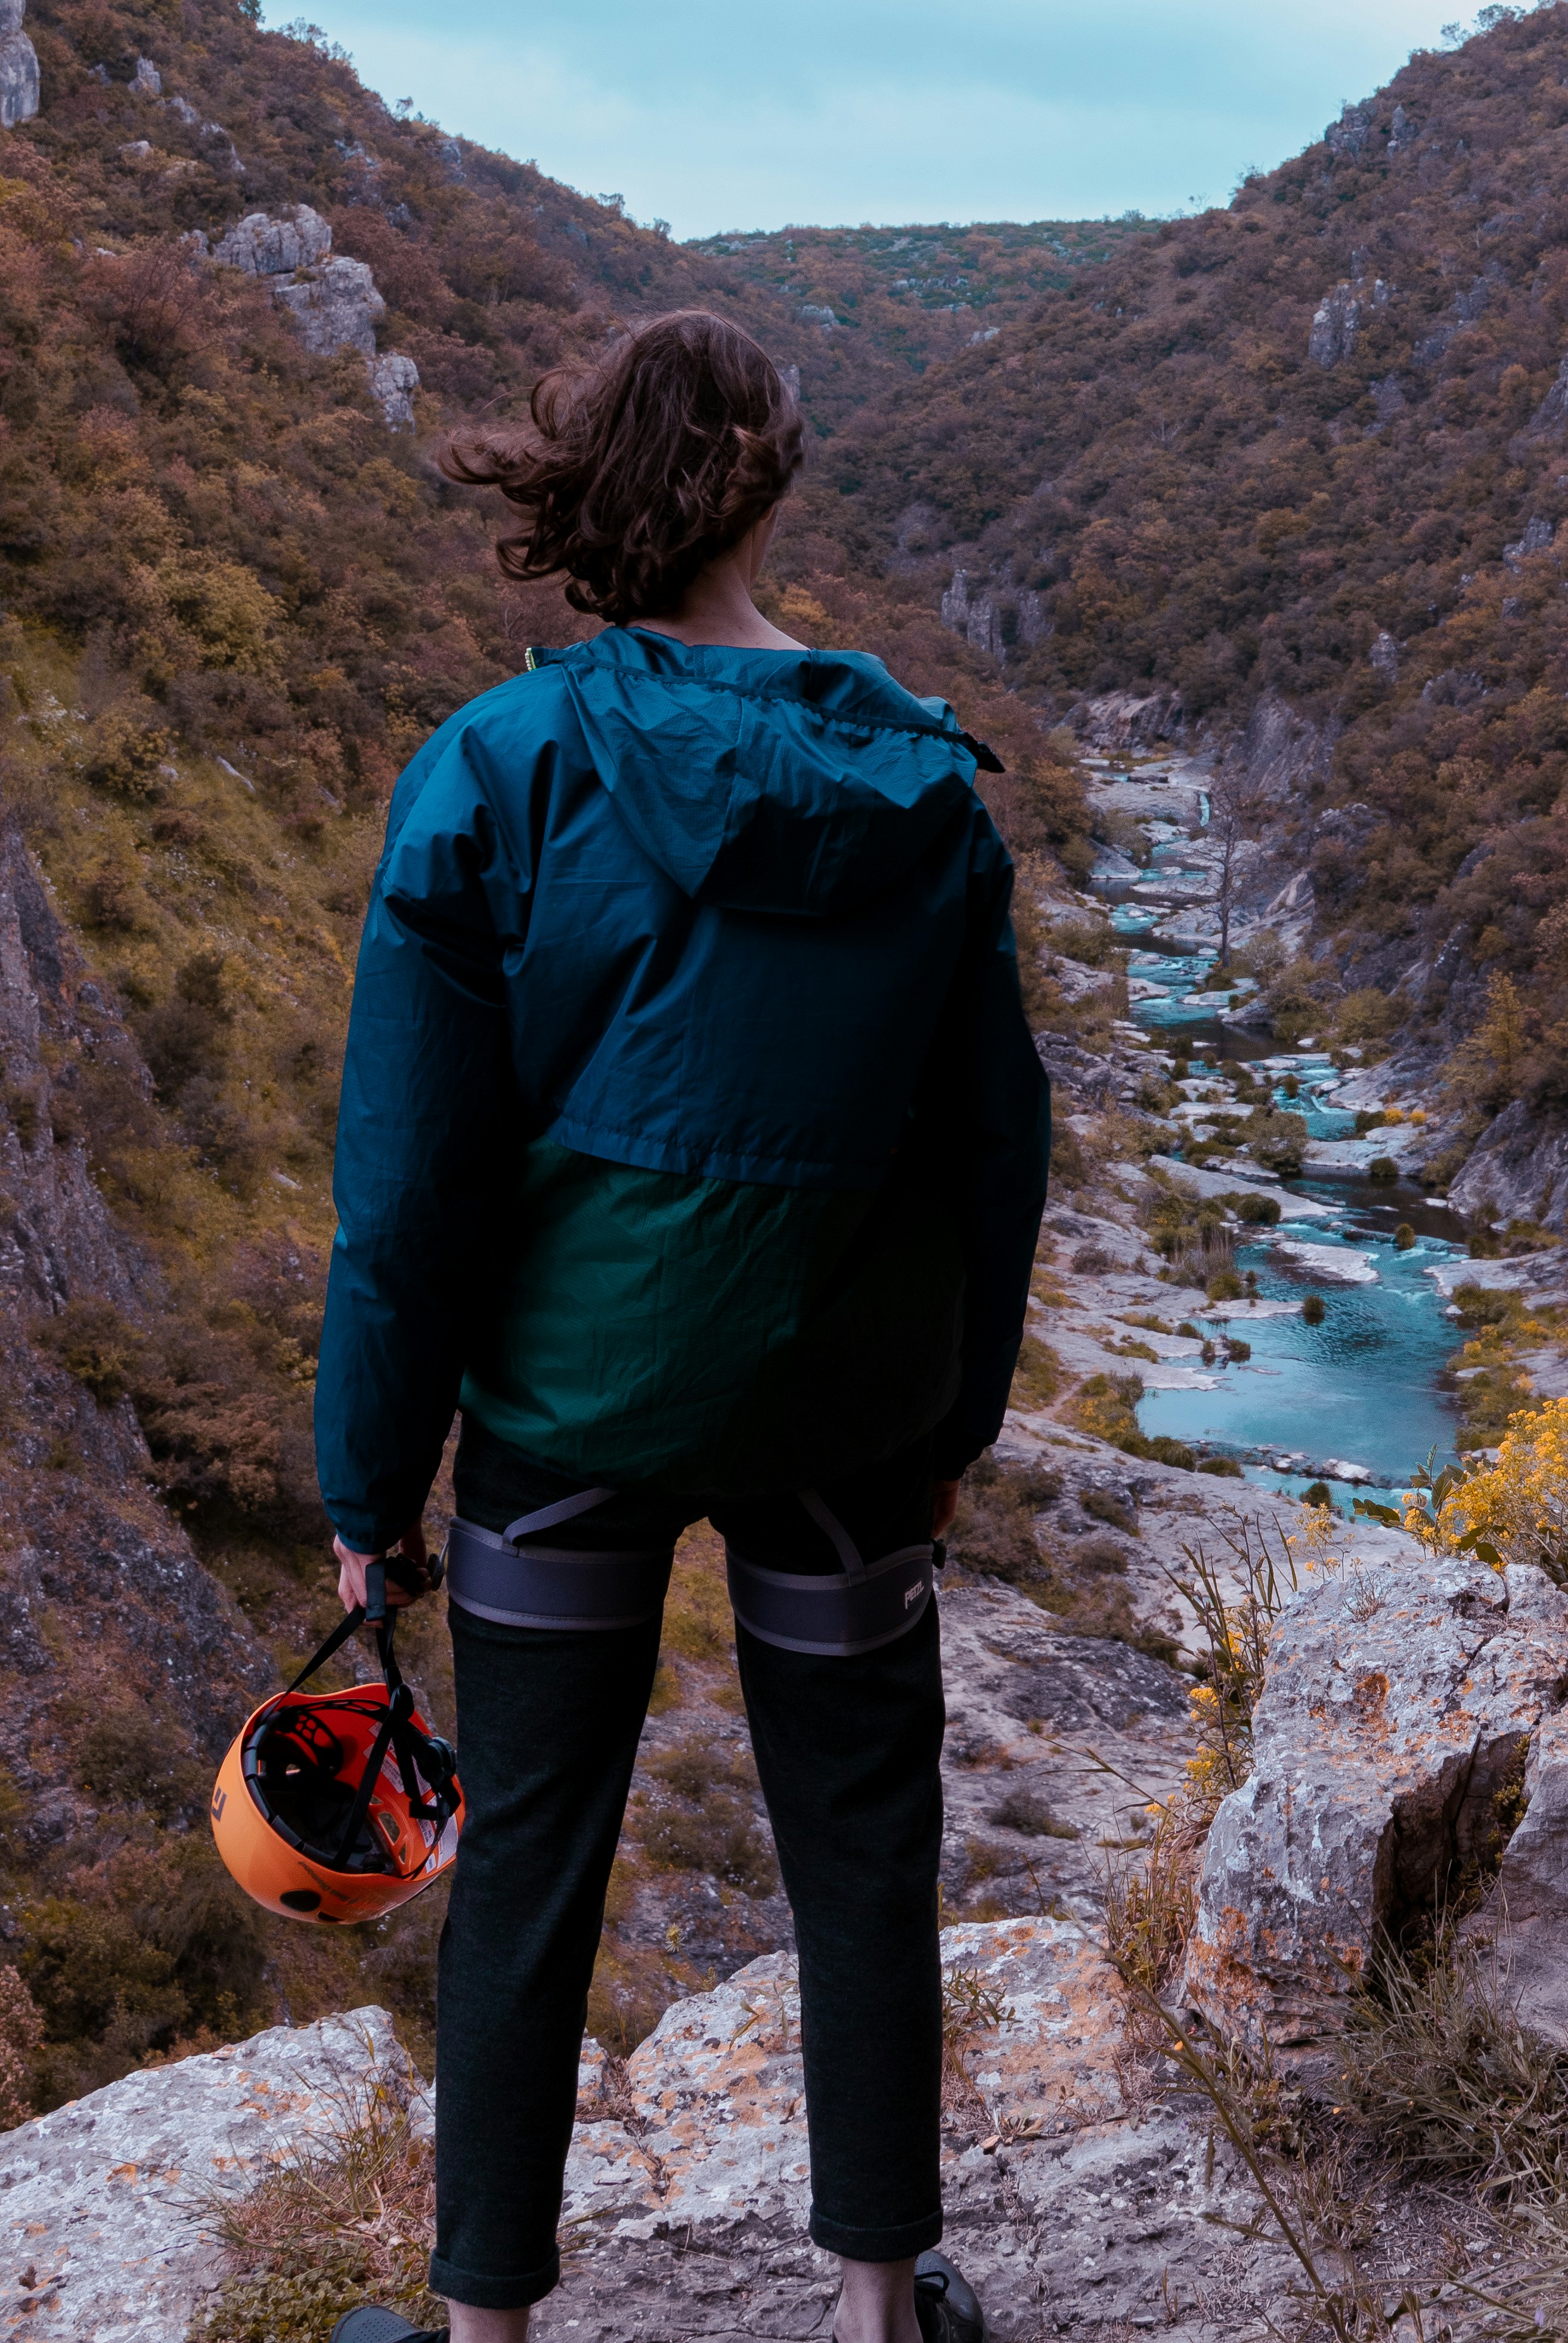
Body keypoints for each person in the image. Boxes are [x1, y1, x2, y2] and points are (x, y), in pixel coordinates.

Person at [313, 309, 1049, 2343]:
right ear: (773, 483)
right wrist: (952, 1425)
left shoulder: (499, 768)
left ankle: (486, 2331)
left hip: (571, 1407)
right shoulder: (915, 778)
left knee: (535, 1853)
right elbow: (998, 1149)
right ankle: (878, 2312)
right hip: (846, 1419)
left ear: (586, 492)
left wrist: (367, 1477)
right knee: (863, 1833)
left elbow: (411, 1191)